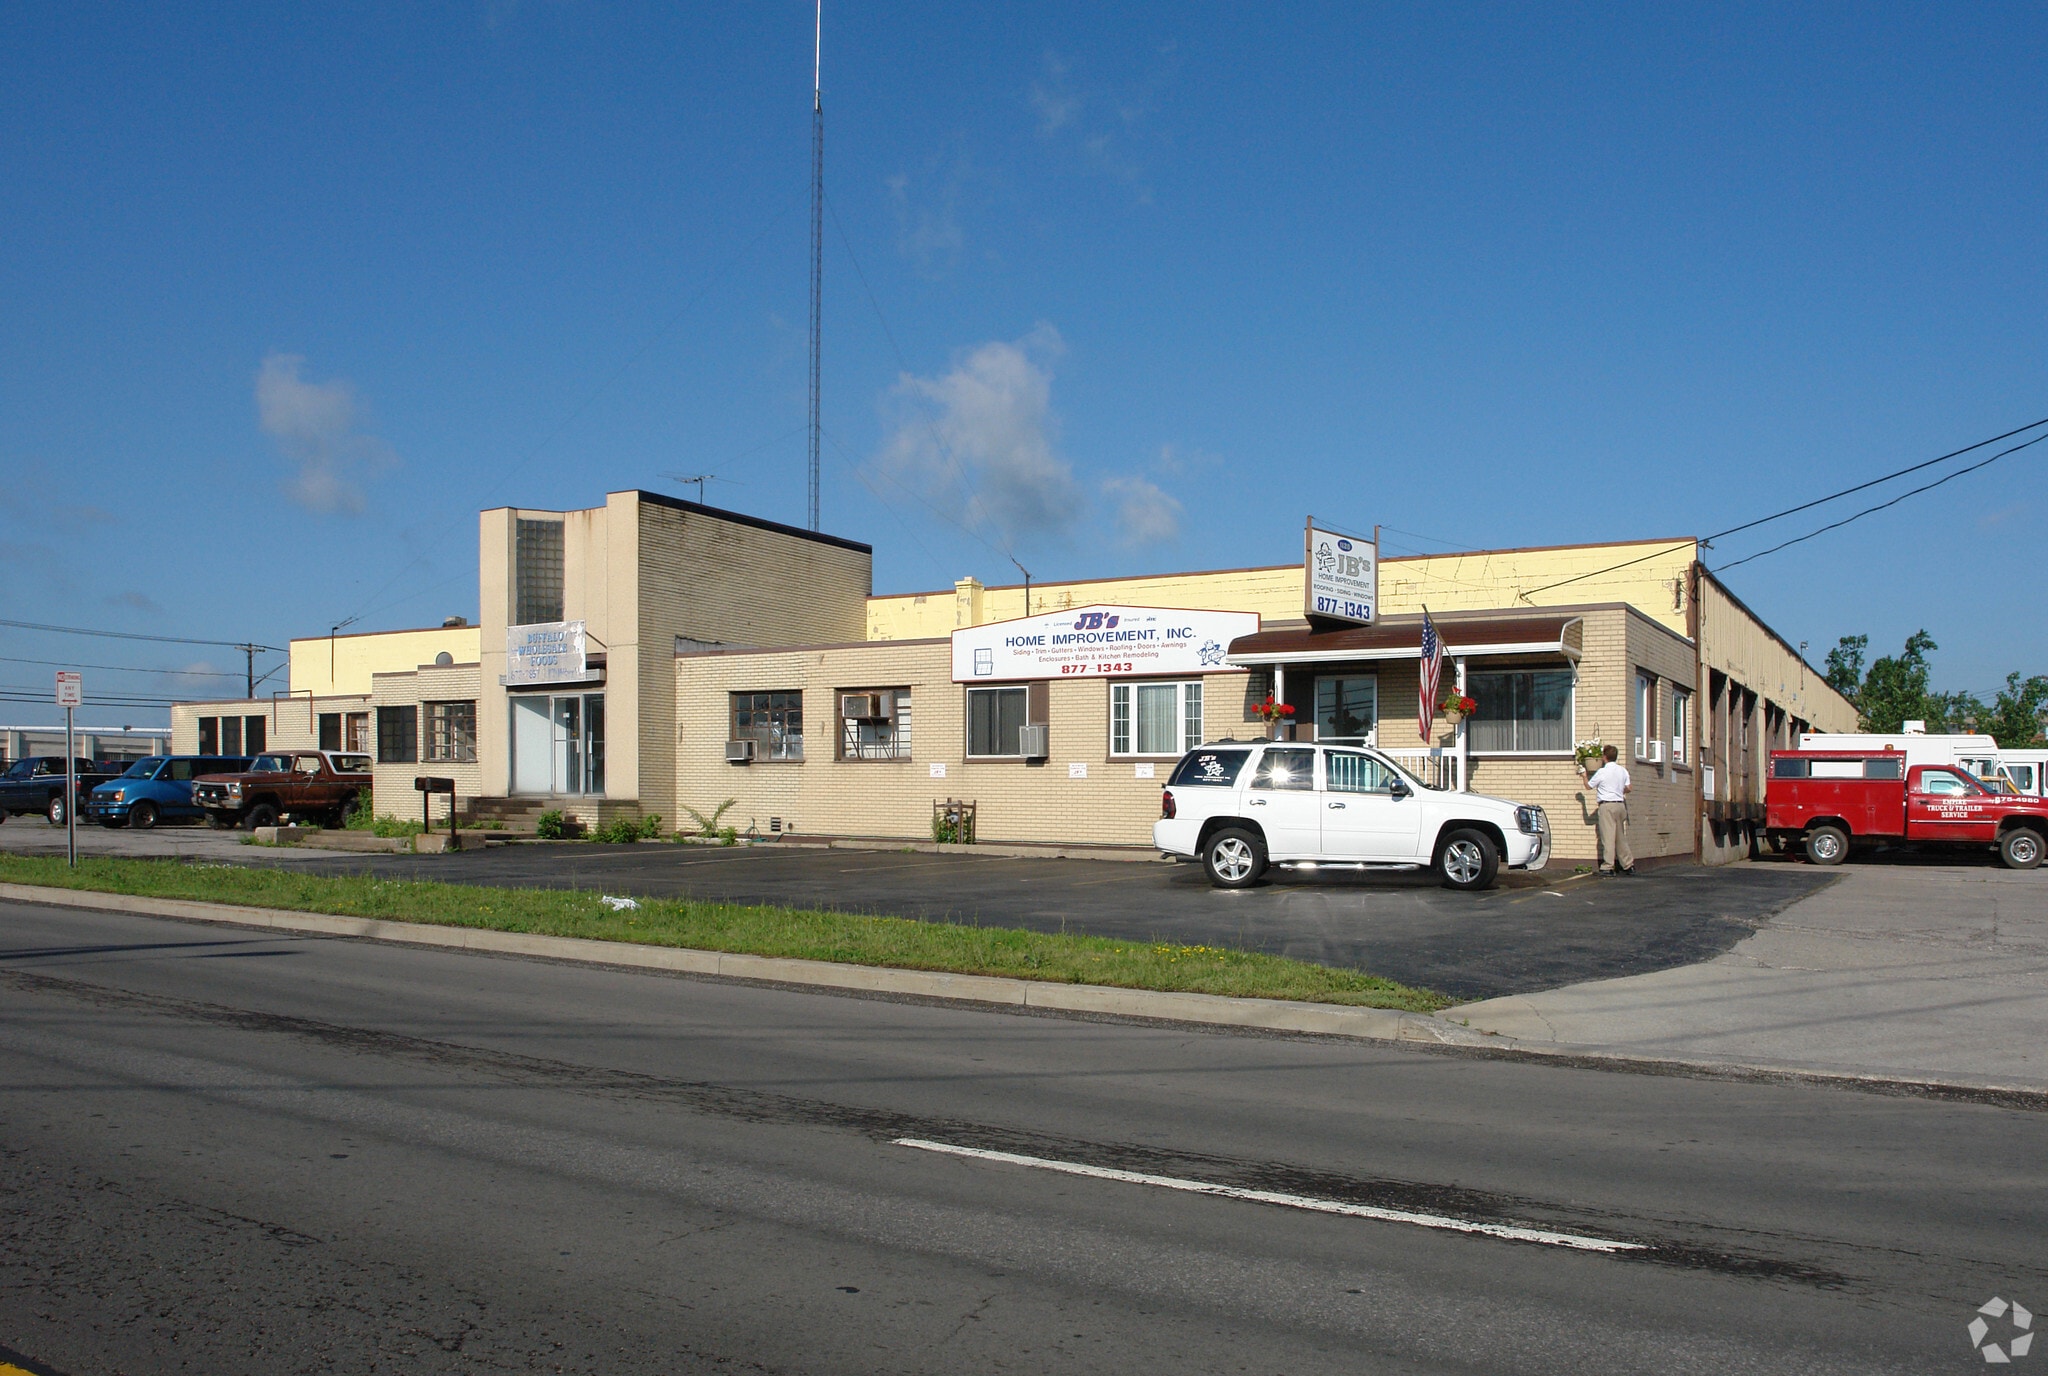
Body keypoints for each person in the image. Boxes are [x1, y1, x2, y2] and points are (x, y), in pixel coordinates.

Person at [1583, 745, 1634, 876]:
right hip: (1620, 805)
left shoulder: (1602, 772)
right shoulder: (1622, 770)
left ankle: (1608, 866)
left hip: (1607, 805)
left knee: (1608, 836)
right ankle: (1628, 864)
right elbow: (1629, 788)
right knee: (1620, 837)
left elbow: (1589, 786)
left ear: (1604, 757)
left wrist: (1584, 775)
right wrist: (1618, 790)